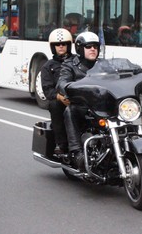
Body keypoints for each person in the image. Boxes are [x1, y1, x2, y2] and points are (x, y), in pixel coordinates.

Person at [56, 31, 100, 170]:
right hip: (82, 106)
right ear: (80, 49)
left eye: (95, 46)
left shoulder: (104, 64)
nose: (93, 49)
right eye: (89, 46)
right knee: (71, 110)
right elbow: (61, 82)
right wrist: (71, 88)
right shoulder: (70, 65)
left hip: (102, 106)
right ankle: (76, 152)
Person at [40, 28, 73, 155]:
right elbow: (47, 90)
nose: (61, 46)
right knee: (54, 105)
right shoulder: (48, 66)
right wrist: (60, 97)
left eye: (64, 44)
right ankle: (61, 144)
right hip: (60, 100)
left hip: (80, 97)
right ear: (53, 47)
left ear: (68, 45)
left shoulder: (77, 62)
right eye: (57, 44)